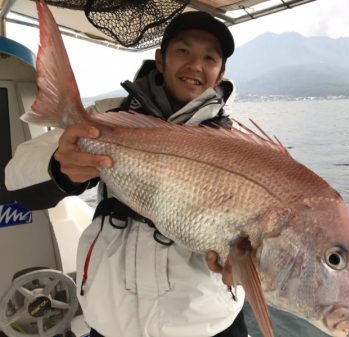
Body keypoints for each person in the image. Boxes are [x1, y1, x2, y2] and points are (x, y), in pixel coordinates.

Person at [5, 11, 248, 337]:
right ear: (160, 60)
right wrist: (60, 166)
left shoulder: (235, 147)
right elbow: (16, 181)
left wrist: (248, 265)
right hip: (111, 323)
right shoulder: (109, 116)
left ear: (220, 73)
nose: (196, 65)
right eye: (183, 51)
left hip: (206, 325)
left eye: (210, 57)